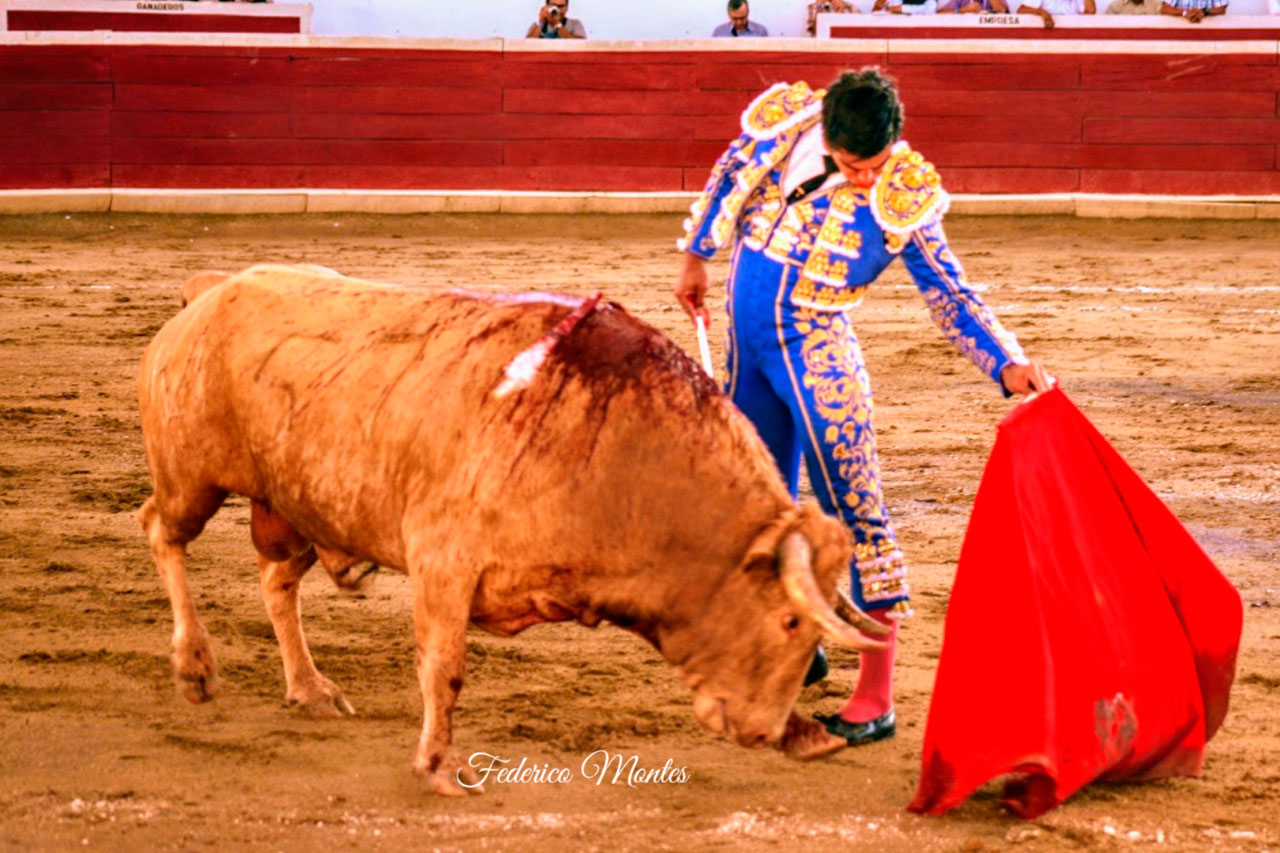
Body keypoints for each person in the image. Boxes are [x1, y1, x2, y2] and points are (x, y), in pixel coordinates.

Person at [674, 69, 1053, 747]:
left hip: (818, 358)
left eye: (878, 165)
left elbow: (950, 292)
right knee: (755, 506)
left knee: (859, 514)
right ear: (827, 135)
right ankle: (799, 641)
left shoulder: (903, 191)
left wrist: (1008, 361)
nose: (868, 181)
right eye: (854, 167)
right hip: (748, 352)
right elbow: (734, 168)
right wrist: (696, 256)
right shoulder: (790, 124)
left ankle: (876, 693)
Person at [1159, 0, 1227, 20]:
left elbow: (1222, 9)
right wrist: (1185, 13)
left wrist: (1204, 12)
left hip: (1208, 33)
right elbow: (1165, 9)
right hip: (1180, 32)